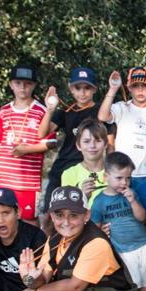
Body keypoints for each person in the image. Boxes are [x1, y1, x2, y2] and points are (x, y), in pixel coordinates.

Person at [89, 152, 146, 291]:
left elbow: (142, 218)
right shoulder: (99, 201)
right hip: (121, 249)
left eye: (127, 178)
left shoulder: (131, 194)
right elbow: (94, 228)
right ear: (106, 176)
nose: (124, 183)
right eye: (119, 178)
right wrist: (101, 233)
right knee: (129, 283)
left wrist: (133, 200)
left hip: (142, 244)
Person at [0, 64, 55, 224]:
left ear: (34, 85)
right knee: (1, 219)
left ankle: (33, 249)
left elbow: (50, 142)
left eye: (28, 83)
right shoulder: (3, 112)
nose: (22, 87)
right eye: (18, 83)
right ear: (10, 84)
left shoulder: (42, 111)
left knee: (29, 220)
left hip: (27, 182)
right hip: (3, 179)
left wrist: (26, 150)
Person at [37, 67, 102, 231]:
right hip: (62, 166)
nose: (82, 93)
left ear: (94, 89)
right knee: (48, 215)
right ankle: (47, 254)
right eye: (78, 88)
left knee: (80, 213)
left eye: (87, 88)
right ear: (71, 88)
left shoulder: (100, 112)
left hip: (85, 167)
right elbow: (42, 133)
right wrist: (50, 109)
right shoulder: (66, 112)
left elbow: (108, 140)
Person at [98, 67, 146, 178]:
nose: (140, 90)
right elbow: (102, 116)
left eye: (144, 85)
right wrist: (113, 89)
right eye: (135, 86)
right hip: (123, 174)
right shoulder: (122, 107)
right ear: (129, 88)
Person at [59, 118, 108, 208]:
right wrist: (81, 196)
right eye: (86, 141)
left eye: (97, 140)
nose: (92, 146)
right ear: (78, 145)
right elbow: (67, 211)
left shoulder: (115, 171)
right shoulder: (70, 174)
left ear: (105, 144)